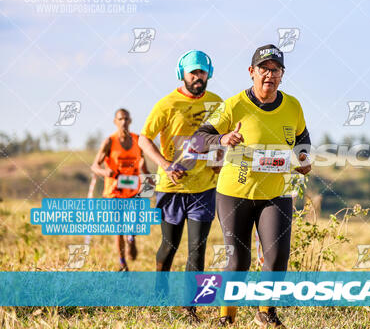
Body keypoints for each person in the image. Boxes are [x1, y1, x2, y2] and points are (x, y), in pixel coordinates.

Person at [193, 44, 311, 328]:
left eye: (276, 70)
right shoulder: (234, 105)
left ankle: (266, 314)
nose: (269, 75)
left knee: (277, 256)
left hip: (276, 193)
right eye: (264, 69)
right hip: (235, 193)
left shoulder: (293, 106)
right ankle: (226, 318)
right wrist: (221, 140)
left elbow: (303, 139)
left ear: (282, 75)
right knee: (238, 261)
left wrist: (304, 158)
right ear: (251, 72)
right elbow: (198, 139)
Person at [137, 50, 223, 323]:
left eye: (202, 72)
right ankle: (160, 289)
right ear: (181, 74)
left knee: (197, 248)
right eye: (193, 72)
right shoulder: (167, 104)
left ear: (209, 73)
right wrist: (164, 163)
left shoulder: (217, 102)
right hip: (172, 188)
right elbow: (144, 139)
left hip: (204, 188)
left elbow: (223, 138)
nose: (198, 77)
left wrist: (219, 160)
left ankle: (189, 308)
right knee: (169, 246)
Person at [91, 108, 149, 271]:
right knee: (119, 229)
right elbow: (94, 166)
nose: (123, 122)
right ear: (115, 122)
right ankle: (122, 263)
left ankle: (132, 238)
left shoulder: (138, 140)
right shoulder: (110, 141)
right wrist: (104, 172)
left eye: (126, 119)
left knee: (135, 224)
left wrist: (150, 183)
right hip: (114, 192)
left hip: (133, 190)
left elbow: (144, 165)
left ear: (130, 121)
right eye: (120, 119)